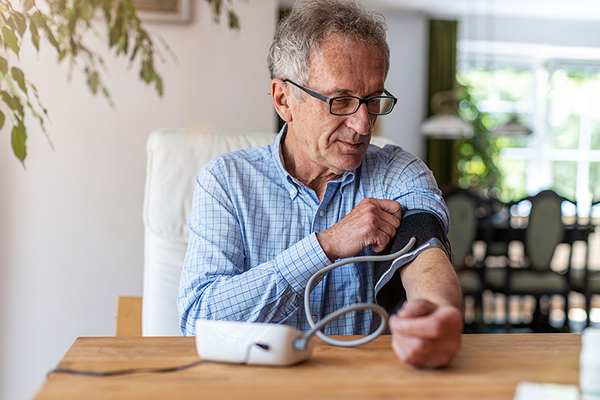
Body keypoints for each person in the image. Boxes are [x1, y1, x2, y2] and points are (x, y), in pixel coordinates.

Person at [178, 0, 463, 368]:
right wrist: (325, 246)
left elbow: (425, 250)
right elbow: (197, 322)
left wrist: (440, 314)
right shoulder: (226, 183)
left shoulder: (400, 172)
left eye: (373, 99)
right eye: (341, 101)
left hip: (365, 388)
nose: (364, 125)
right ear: (284, 100)